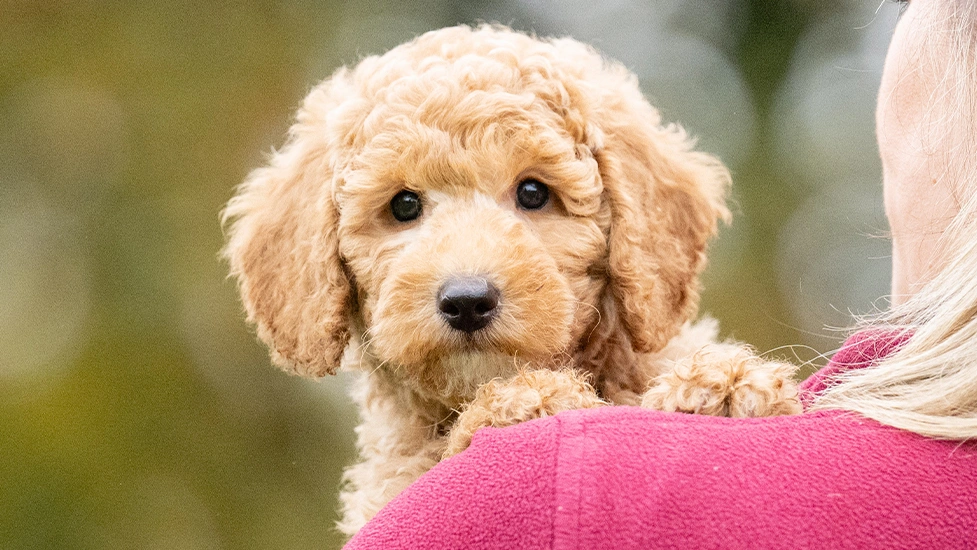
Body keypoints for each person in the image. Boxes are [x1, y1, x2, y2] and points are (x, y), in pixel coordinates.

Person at [344, 1, 977, 548]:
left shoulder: (685, 386)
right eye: (404, 208)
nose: (467, 278)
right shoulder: (409, 496)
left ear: (635, 222)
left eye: (534, 194)